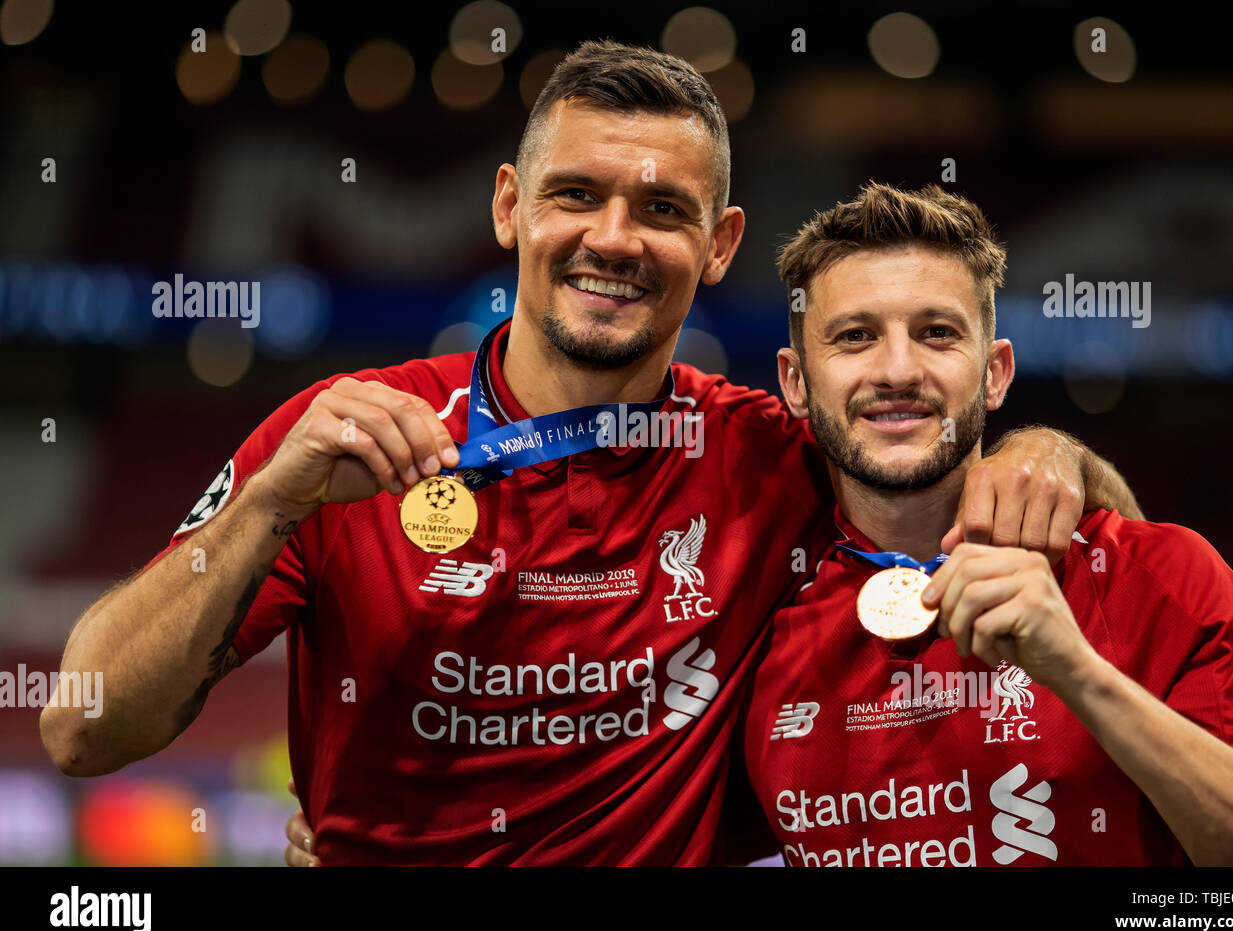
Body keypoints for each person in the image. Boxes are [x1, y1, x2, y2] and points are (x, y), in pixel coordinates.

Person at [42, 43, 1137, 866]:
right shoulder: (341, 442)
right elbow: (83, 726)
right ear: (511, 207)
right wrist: (267, 506)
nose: (613, 237)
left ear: (718, 246)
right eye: (578, 194)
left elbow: (1065, 524)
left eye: (662, 208)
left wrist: (1042, 447)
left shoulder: (772, 454)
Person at [739, 181, 1233, 866]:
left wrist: (1078, 672)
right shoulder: (753, 618)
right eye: (855, 337)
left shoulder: (1159, 573)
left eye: (937, 333)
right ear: (795, 383)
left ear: (996, 372)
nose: (897, 369)